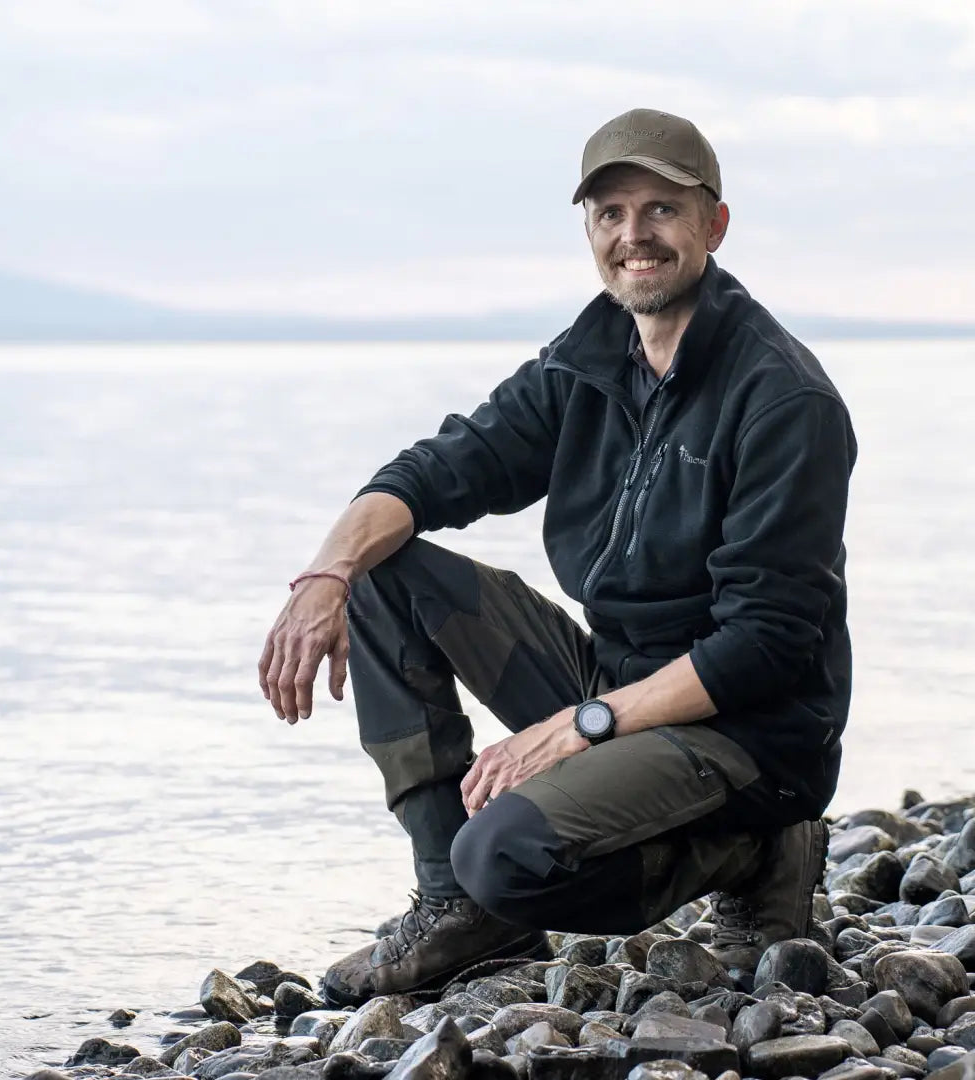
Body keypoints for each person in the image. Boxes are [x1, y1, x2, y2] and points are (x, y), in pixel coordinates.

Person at [258, 107, 856, 1008]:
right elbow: (437, 470)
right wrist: (325, 575)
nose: (634, 237)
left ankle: (757, 846)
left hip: (747, 730)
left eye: (661, 210)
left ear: (713, 224)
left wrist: (583, 727)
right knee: (386, 572)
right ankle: (455, 909)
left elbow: (766, 645)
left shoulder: (782, 399)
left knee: (507, 850)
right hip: (618, 681)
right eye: (610, 214)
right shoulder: (588, 364)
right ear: (588, 229)